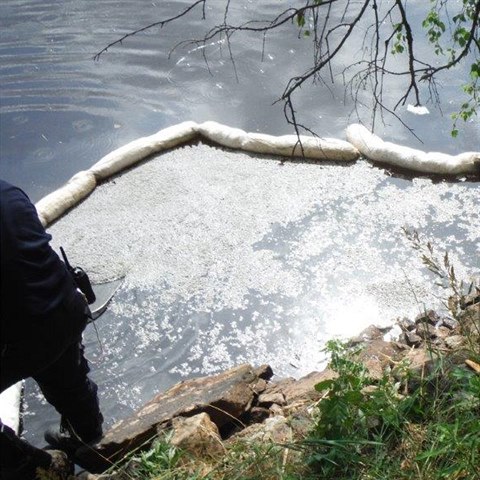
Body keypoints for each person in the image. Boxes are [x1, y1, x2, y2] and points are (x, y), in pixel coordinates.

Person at [0, 179, 103, 479]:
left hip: (15, 338)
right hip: (63, 308)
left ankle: (35, 468)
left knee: (41, 350)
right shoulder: (8, 192)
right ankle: (88, 440)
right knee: (68, 380)